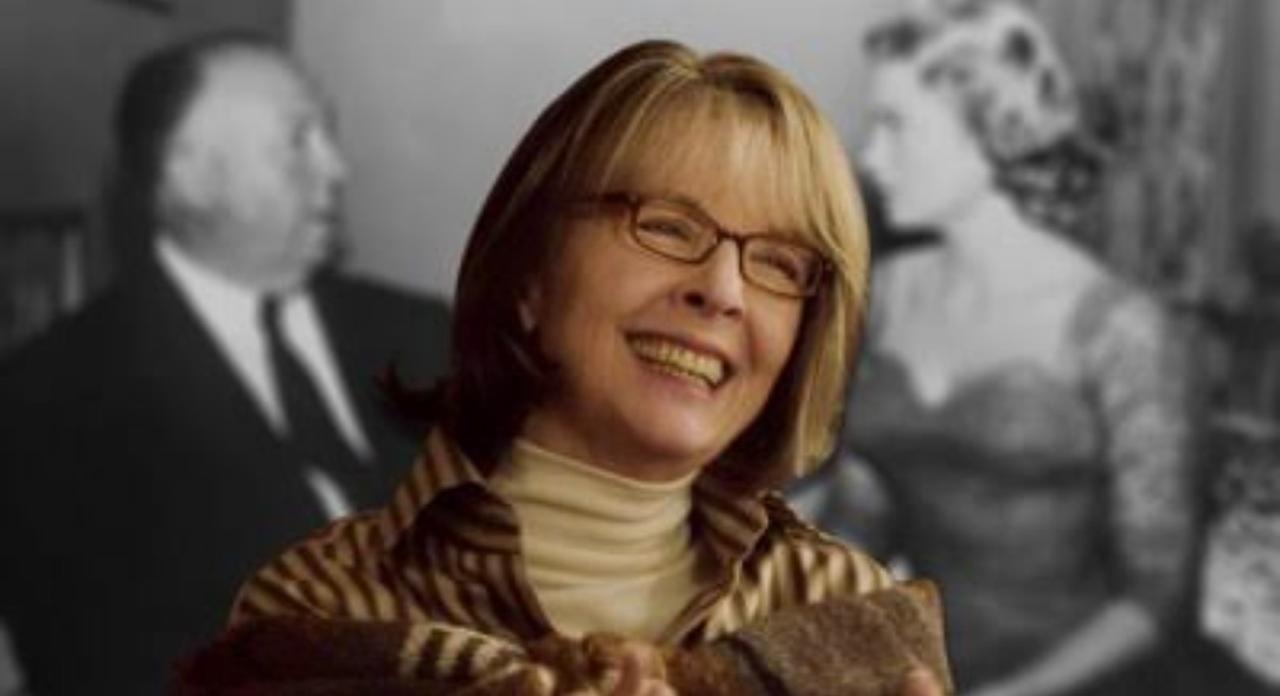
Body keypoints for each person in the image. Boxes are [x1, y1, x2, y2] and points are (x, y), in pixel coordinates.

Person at [174, 39, 949, 696]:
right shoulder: (315, 604)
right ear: (529, 278)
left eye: (779, 263)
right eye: (668, 226)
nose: (722, 291)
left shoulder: (855, 615)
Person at [0, 33, 450, 695]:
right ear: (193, 177)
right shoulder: (55, 398)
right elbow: (100, 669)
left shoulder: (423, 333)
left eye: (328, 135)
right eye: (298, 140)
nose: (336, 168)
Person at [800, 2, 1196, 695]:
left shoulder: (1120, 329)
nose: (872, 159)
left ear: (991, 130)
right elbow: (866, 499)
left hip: (1076, 681)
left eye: (896, 125)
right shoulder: (884, 294)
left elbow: (1154, 599)